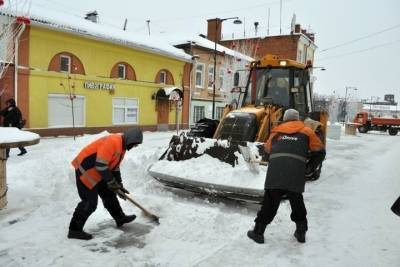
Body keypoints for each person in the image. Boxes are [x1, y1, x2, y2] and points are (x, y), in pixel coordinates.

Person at [247, 109, 326, 244]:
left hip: (276, 172)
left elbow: (267, 149)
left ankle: (258, 232)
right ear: (297, 119)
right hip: (296, 173)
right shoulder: (307, 131)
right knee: (297, 202)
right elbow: (320, 151)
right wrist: (309, 168)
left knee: (270, 203)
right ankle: (301, 232)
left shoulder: (276, 131)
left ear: (285, 118)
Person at [68, 128, 143, 240]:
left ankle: (120, 218)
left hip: (100, 171)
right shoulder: (113, 141)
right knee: (89, 202)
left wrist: (119, 186)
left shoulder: (121, 147)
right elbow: (101, 164)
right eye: (134, 144)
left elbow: (115, 168)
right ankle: (74, 230)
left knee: (109, 195)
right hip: (86, 170)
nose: (134, 147)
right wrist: (111, 182)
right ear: (130, 140)